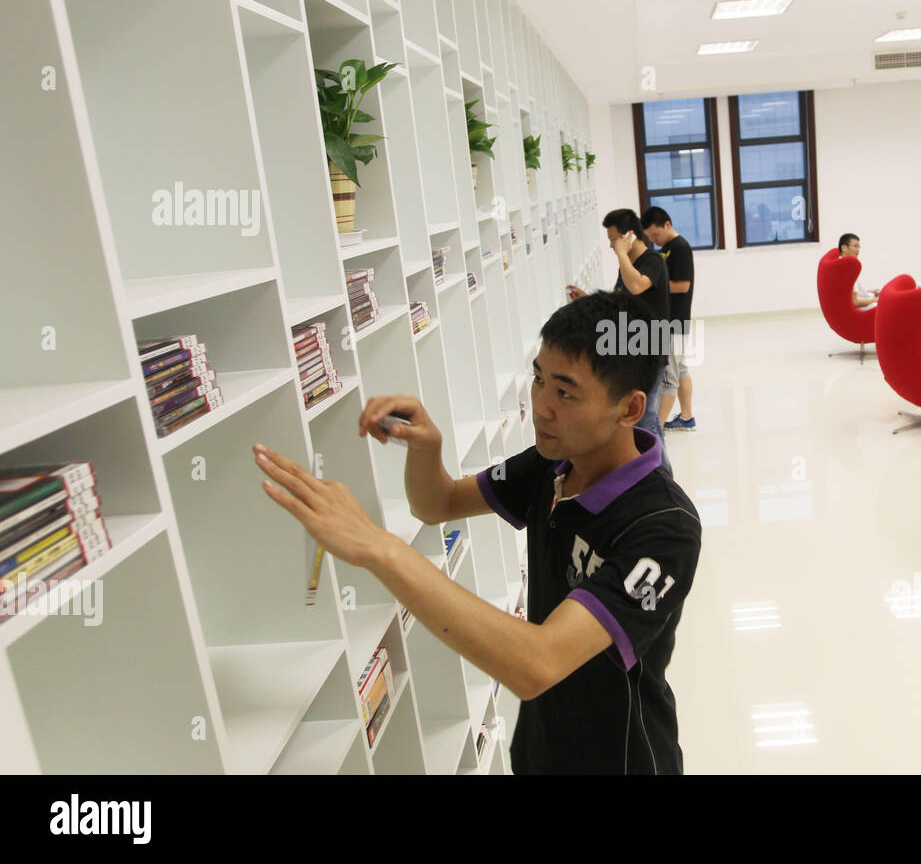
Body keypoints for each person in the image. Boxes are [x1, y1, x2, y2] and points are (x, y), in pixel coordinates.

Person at [252, 291, 702, 773]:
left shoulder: (664, 528)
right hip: (542, 747)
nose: (541, 407)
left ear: (630, 409)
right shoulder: (552, 465)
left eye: (565, 392)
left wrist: (378, 548)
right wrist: (428, 449)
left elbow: (538, 663)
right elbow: (436, 504)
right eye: (538, 380)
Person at [567, 209, 673, 474]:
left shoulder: (652, 261)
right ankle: (656, 473)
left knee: (646, 419)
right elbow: (621, 300)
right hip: (632, 352)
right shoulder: (628, 264)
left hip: (650, 351)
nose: (611, 245)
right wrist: (589, 298)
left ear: (629, 236)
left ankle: (663, 477)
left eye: (614, 238)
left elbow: (637, 287)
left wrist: (623, 254)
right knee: (643, 420)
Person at [643, 206, 696, 431]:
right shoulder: (666, 249)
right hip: (668, 320)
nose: (654, 240)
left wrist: (651, 285)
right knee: (681, 369)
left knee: (669, 378)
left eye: (656, 234)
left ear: (668, 224)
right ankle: (686, 417)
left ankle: (657, 428)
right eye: (650, 237)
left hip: (674, 321)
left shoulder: (680, 248)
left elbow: (683, 285)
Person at [837, 233, 878, 308]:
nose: (858, 250)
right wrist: (877, 299)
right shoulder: (848, 269)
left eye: (858, 247)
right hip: (865, 307)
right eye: (855, 246)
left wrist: (868, 293)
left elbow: (852, 292)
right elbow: (855, 302)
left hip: (866, 299)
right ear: (844, 248)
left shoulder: (840, 263)